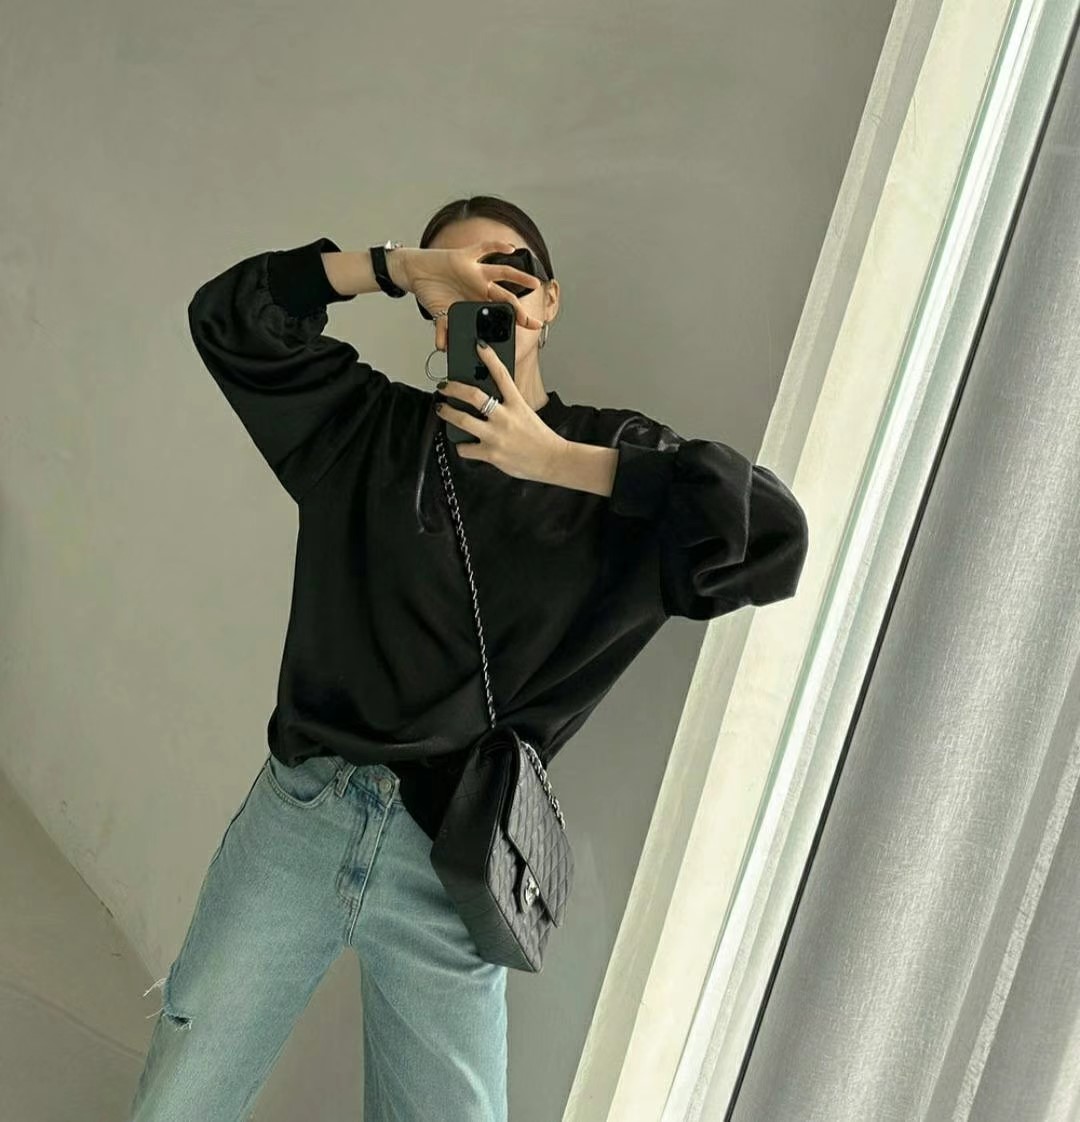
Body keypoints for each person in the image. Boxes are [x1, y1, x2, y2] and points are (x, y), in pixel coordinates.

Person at [127, 196, 809, 1121]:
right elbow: (229, 315)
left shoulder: (614, 459)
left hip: (453, 858)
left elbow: (773, 537)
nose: (489, 291)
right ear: (432, 313)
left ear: (550, 300)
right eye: (458, 280)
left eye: (511, 269)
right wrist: (389, 266)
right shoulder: (367, 432)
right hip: (303, 815)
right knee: (184, 1093)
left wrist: (558, 461)